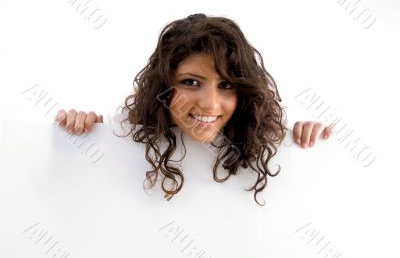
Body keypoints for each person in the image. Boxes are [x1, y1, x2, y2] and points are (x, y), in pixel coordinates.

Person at [55, 14, 334, 205]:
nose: (210, 104)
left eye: (226, 85)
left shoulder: (258, 139)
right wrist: (88, 132)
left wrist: (305, 140)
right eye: (191, 82)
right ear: (163, 88)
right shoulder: (127, 138)